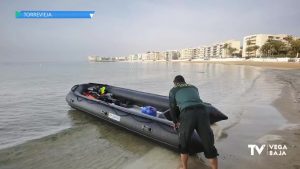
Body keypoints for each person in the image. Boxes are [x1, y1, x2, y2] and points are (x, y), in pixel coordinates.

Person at [169, 75, 218, 169]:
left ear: (175, 83)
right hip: (203, 112)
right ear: (184, 81)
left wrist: (175, 122)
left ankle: (184, 167)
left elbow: (172, 108)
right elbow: (195, 100)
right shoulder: (194, 87)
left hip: (188, 114)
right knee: (209, 144)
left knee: (184, 143)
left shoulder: (173, 90)